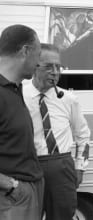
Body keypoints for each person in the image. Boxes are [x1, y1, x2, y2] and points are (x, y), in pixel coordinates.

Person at [23, 43, 91, 220]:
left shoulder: (68, 99)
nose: (55, 72)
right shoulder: (18, 95)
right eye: (48, 67)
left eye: (58, 67)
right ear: (34, 67)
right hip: (29, 165)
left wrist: (80, 167)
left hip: (61, 166)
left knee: (62, 215)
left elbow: (83, 135)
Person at [0, 24, 44, 220]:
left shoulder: (14, 89)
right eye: (38, 54)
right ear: (25, 51)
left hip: (24, 193)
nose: (39, 62)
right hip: (11, 198)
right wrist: (10, 185)